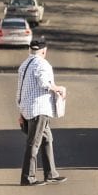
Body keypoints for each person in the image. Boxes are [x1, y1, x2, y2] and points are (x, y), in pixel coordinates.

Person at [16, 41, 66, 185]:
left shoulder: (24, 64)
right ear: (44, 51)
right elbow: (44, 82)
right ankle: (28, 177)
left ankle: (51, 173)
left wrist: (21, 111)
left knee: (47, 139)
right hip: (39, 109)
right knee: (34, 143)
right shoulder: (42, 64)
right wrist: (58, 89)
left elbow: (19, 90)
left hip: (28, 109)